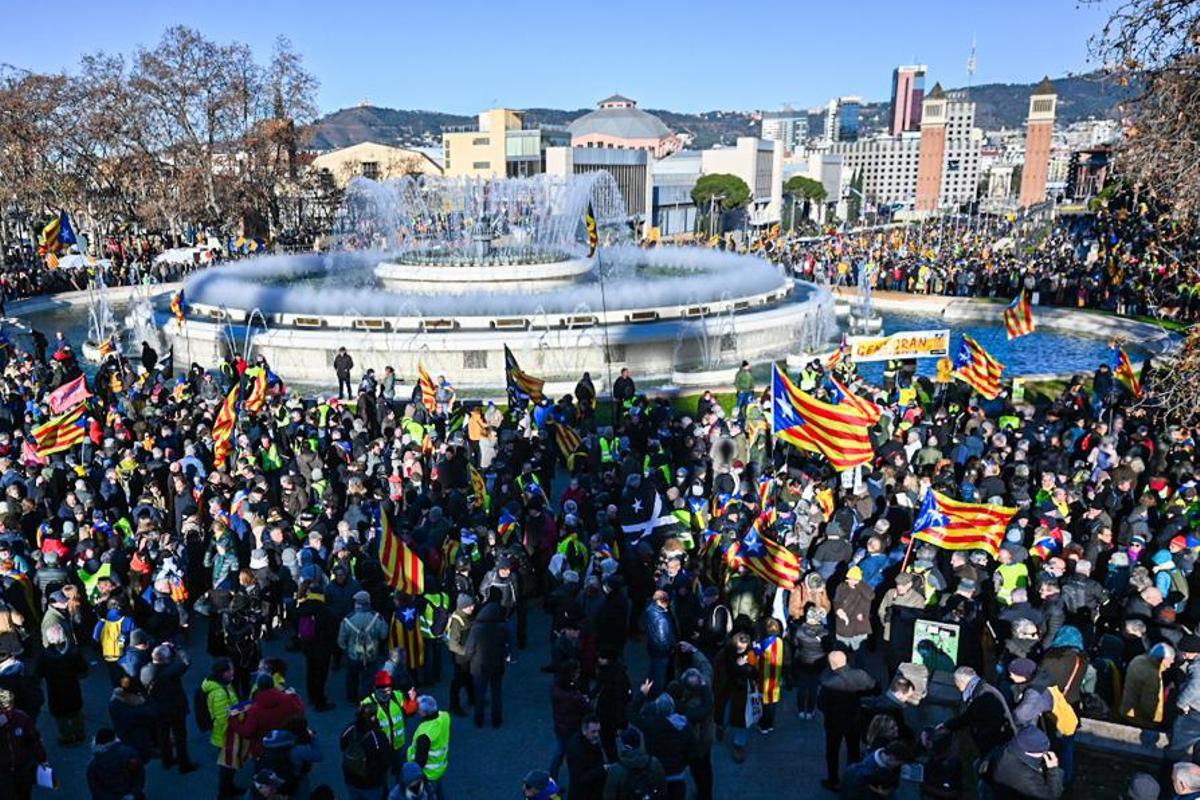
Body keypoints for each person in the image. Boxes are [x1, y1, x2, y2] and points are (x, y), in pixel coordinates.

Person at [818, 649, 878, 792]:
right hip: (855, 718)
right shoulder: (861, 675)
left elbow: (821, 705)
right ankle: (853, 779)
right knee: (854, 749)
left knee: (832, 752)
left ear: (832, 665)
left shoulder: (829, 683)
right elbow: (875, 688)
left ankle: (833, 781)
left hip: (834, 722)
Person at [140, 642, 198, 772]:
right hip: (175, 709)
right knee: (180, 737)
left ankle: (167, 760)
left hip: (158, 709)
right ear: (166, 660)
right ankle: (184, 764)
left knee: (163, 736)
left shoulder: (145, 670)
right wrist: (176, 648)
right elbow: (187, 661)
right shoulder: (170, 672)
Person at [36, 622, 88, 745]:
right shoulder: (72, 652)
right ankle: (79, 734)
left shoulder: (45, 656)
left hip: (55, 691)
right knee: (76, 711)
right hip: (72, 687)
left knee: (60, 715)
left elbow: (38, 674)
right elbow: (84, 669)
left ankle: (67, 737)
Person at [986, 726, 1064, 800]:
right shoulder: (1027, 778)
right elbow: (1051, 795)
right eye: (1042, 752)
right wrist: (1053, 770)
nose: (1044, 754)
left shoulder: (1004, 749)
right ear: (1030, 752)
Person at [466, 595, 508, 729]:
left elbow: (469, 649)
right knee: (496, 692)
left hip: (479, 666)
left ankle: (479, 719)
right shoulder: (502, 628)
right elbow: (506, 647)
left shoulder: (476, 628)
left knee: (480, 693)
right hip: (497, 665)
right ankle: (497, 720)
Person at [339, 590, 388, 702]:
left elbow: (341, 640)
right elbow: (384, 635)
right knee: (369, 677)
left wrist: (345, 649)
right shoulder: (377, 617)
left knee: (351, 677)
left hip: (353, 654)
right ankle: (366, 699)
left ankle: (352, 698)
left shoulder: (348, 619)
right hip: (372, 654)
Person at [0, 688, 49, 800]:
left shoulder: (21, 718)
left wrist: (42, 759)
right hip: (2, 774)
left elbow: (34, 740)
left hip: (21, 767)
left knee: (24, 794)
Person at [341, 701, 391, 800]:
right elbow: (385, 761)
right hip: (371, 784)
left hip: (351, 779)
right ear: (372, 717)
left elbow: (342, 746)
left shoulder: (348, 730)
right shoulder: (377, 736)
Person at [601, 727, 666, 800]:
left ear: (624, 746)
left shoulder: (616, 769)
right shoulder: (654, 762)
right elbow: (662, 789)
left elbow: (608, 796)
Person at [87, 727, 146, 800]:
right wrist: (134, 794)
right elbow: (139, 775)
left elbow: (96, 790)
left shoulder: (93, 765)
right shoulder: (129, 754)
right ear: (114, 738)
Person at [564, 714, 608, 800]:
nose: (597, 735)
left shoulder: (588, 740)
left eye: (598, 731)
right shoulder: (577, 750)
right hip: (584, 794)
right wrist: (603, 769)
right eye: (593, 731)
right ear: (584, 731)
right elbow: (581, 778)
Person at [445, 594, 476, 716]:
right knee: (458, 681)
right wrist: (467, 651)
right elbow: (453, 645)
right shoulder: (457, 621)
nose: (473, 607)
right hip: (460, 657)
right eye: (470, 605)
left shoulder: (466, 616)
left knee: (469, 677)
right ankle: (454, 705)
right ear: (463, 607)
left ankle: (472, 698)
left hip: (467, 655)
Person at [643, 589, 677, 696]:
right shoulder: (661, 618)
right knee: (659, 676)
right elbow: (663, 639)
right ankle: (655, 697)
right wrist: (669, 648)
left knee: (653, 673)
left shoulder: (651, 611)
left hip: (653, 649)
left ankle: (646, 693)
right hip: (661, 652)